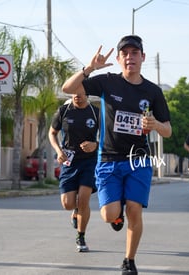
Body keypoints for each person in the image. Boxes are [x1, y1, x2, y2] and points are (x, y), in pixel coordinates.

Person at [61, 35, 172, 275]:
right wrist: (89, 68)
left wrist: (154, 124)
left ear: (143, 57)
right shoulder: (107, 82)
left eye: (135, 53)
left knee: (135, 209)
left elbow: (168, 130)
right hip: (109, 159)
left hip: (138, 159)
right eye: (125, 53)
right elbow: (67, 88)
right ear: (120, 59)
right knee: (109, 215)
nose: (130, 57)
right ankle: (116, 215)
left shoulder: (152, 91)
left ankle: (129, 261)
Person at [48, 93, 99, 253]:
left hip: (89, 162)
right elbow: (52, 133)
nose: (77, 95)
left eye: (81, 92)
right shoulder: (64, 110)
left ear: (87, 94)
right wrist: (58, 150)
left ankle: (81, 236)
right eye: (74, 92)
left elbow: (107, 137)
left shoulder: (96, 113)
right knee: (68, 204)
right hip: (69, 162)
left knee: (84, 198)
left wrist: (95, 144)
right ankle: (76, 210)